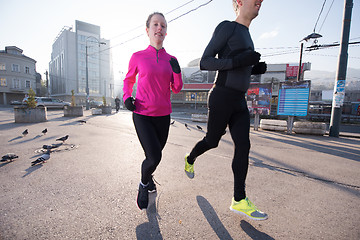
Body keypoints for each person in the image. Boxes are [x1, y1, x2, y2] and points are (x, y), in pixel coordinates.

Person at [184, 0, 268, 220]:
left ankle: (239, 199)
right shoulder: (227, 27)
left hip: (239, 100)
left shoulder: (248, 35)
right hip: (221, 96)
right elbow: (206, 62)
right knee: (212, 141)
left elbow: (239, 67)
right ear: (239, 2)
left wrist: (253, 68)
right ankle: (190, 157)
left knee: (244, 145)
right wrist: (240, 60)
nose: (260, 1)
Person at [123, 12, 183, 210]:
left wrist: (177, 71)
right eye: (156, 25)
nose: (160, 28)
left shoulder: (171, 59)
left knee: (153, 156)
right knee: (155, 157)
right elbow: (128, 80)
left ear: (166, 32)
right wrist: (126, 97)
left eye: (163, 26)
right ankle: (143, 185)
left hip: (163, 116)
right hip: (142, 114)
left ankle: (148, 179)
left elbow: (177, 88)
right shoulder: (138, 57)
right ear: (148, 30)